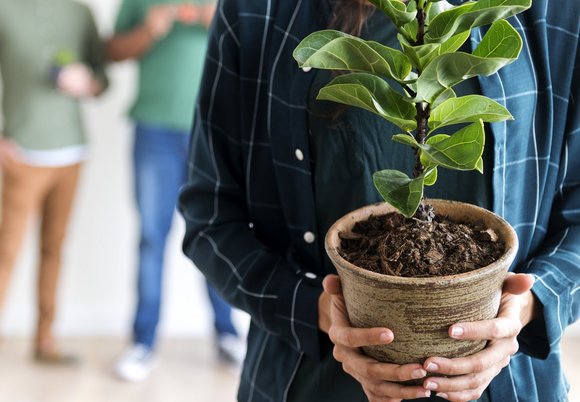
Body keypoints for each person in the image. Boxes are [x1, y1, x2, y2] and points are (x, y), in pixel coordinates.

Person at [178, 0, 580, 401]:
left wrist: (528, 306)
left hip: (512, 385)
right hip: (313, 383)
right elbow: (210, 215)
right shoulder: (258, 10)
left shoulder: (554, 11)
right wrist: (316, 309)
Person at [106, 0, 244, 382]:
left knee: (217, 232)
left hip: (211, 132)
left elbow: (251, 48)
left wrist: (212, 20)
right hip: (153, 132)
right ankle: (143, 342)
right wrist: (149, 29)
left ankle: (227, 334)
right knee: (152, 237)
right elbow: (112, 51)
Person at [0, 0, 108, 364]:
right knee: (6, 254)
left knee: (54, 250)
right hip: (22, 155)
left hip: (72, 153)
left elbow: (101, 80)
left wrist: (87, 82)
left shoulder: (80, 13)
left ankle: (45, 341)